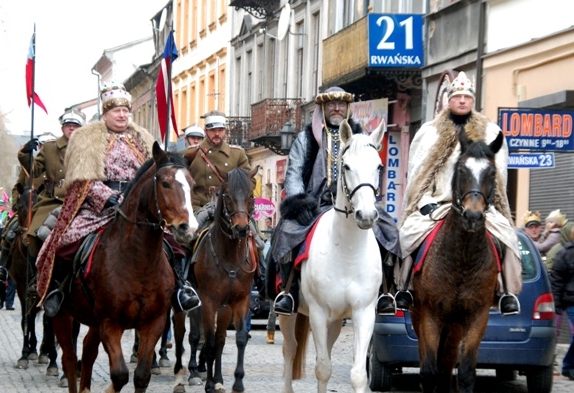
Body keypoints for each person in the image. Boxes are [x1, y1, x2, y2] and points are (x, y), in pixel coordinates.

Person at [36, 81, 199, 316]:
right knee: (64, 241)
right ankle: (58, 291)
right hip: (99, 208)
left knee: (175, 245)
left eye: (125, 111)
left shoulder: (142, 138)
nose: (122, 115)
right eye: (116, 111)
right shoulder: (86, 138)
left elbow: (156, 175)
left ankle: (180, 290)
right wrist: (108, 197)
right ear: (105, 114)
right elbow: (83, 180)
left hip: (138, 207)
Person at [395, 71, 521, 316]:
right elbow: (419, 176)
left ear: (473, 101)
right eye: (457, 96)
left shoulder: (490, 132)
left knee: (507, 236)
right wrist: (424, 203)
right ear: (448, 100)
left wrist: (489, 203)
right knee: (408, 234)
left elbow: (497, 177)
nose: (462, 101)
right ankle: (405, 287)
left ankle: (506, 292)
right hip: (437, 203)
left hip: (479, 203)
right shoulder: (429, 133)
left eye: (467, 97)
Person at [268, 86, 401, 315]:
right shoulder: (306, 138)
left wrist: (366, 197)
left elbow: (370, 171)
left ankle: (386, 292)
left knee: (389, 230)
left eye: (341, 104)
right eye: (331, 104)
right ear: (323, 108)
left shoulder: (362, 138)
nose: (337, 108)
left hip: (356, 204)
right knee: (287, 231)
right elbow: (294, 174)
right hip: (315, 204)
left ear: (348, 108)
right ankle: (288, 291)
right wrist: (299, 203)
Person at [0, 109, 86, 283]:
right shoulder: (50, 148)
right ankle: (37, 272)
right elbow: (33, 170)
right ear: (62, 128)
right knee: (33, 234)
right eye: (68, 126)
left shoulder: (87, 148)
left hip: (80, 199)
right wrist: (26, 155)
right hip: (51, 201)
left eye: (75, 126)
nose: (71, 129)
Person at [184, 110, 253, 227]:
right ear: (205, 131)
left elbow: (251, 180)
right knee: (187, 238)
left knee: (258, 242)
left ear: (225, 131)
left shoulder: (237, 154)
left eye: (220, 130)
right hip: (198, 206)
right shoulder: (190, 153)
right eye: (213, 130)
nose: (217, 134)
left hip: (231, 208)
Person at [548, 225, 574, 380]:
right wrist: (556, 305)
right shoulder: (565, 253)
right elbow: (556, 281)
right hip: (571, 300)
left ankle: (569, 365)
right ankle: (568, 365)